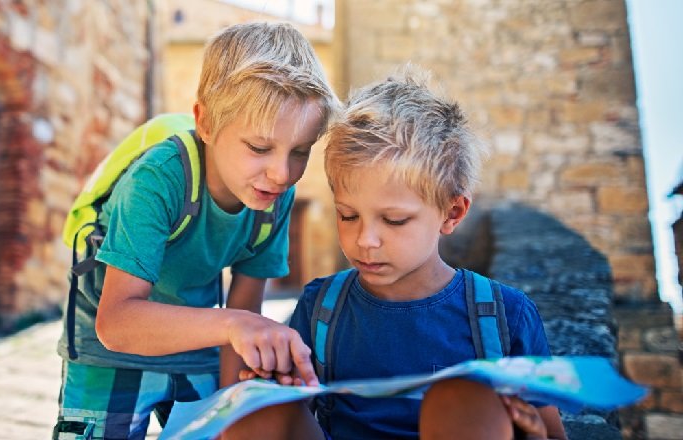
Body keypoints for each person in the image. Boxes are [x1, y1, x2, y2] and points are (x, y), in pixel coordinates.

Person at [223, 67, 568, 440]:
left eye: (395, 220)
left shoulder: (505, 316)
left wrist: (532, 435)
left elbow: (551, 430)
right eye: (348, 215)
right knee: (254, 414)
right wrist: (277, 392)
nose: (366, 240)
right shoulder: (321, 307)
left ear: (452, 213)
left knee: (462, 398)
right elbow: (295, 413)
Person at [53, 22, 341, 440]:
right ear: (204, 123)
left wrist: (231, 411)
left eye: (300, 151)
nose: (282, 174)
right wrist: (233, 325)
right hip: (109, 355)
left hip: (196, 346)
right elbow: (115, 323)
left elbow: (242, 316)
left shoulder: (273, 198)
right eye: (259, 148)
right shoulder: (158, 179)